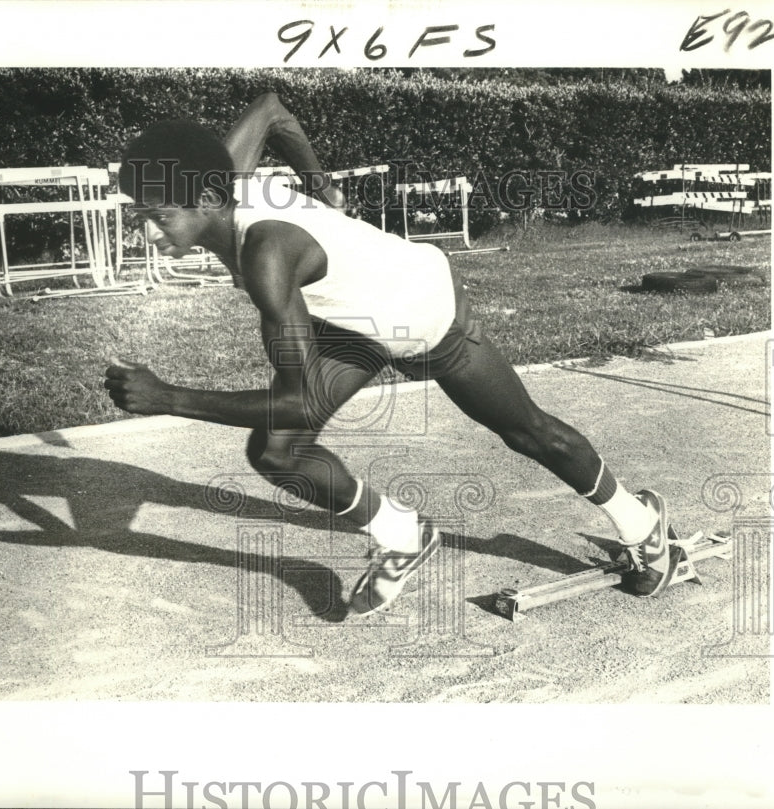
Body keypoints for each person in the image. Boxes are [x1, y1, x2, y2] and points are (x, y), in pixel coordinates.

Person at [104, 92, 676, 616]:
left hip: (426, 312)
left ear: (207, 198)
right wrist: (320, 184)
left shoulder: (267, 256)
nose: (150, 233)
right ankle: (401, 533)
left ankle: (640, 522)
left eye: (159, 215)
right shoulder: (221, 172)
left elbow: (296, 402)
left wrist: (168, 397)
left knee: (528, 432)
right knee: (277, 451)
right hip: (357, 318)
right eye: (142, 215)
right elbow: (272, 110)